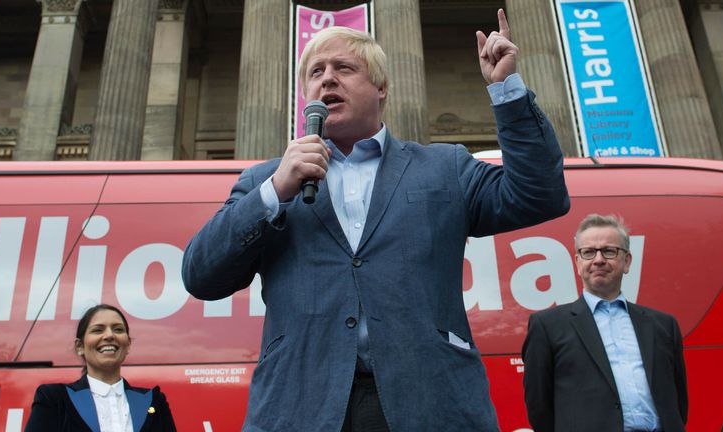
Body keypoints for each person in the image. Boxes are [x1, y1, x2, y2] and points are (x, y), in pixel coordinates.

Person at [182, 9, 569, 431]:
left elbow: (540, 196)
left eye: (344, 68)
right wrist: (274, 193)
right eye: (316, 72)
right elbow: (201, 275)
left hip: (429, 403)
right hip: (303, 405)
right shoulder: (265, 182)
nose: (327, 78)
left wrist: (507, 91)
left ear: (381, 88)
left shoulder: (444, 168)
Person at [522, 214, 688, 432]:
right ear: (578, 262)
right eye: (589, 252)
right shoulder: (547, 326)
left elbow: (677, 403)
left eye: (609, 251)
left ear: (627, 261)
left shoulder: (664, 326)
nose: (598, 259)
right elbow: (539, 407)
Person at [25, 304, 177, 431]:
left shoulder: (154, 401)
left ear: (128, 345)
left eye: (118, 329)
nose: (109, 335)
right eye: (98, 330)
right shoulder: (55, 398)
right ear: (80, 346)